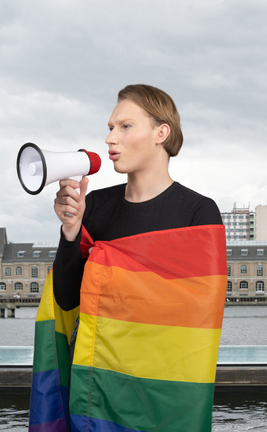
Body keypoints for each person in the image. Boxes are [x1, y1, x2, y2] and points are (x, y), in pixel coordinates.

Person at [29, 84, 227, 432]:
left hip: (159, 391)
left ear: (160, 133)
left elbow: (198, 319)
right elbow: (65, 299)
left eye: (125, 126)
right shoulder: (96, 207)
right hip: (97, 389)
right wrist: (72, 230)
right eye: (109, 128)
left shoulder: (198, 213)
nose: (110, 139)